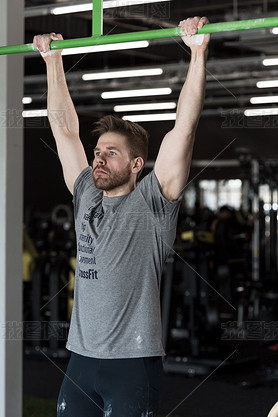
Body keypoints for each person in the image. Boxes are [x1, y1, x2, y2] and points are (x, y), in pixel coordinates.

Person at [33, 16, 210, 417]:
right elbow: (64, 131)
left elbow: (184, 127)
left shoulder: (154, 200)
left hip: (132, 365)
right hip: (80, 361)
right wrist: (52, 62)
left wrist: (197, 54)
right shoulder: (86, 196)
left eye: (110, 152)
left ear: (136, 165)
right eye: (97, 151)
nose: (98, 157)